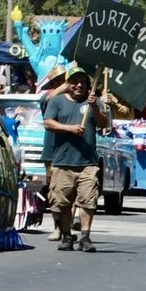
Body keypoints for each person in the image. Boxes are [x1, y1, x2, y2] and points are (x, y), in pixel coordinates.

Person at [41, 66, 105, 253]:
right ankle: (67, 236)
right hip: (62, 161)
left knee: (88, 200)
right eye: (74, 82)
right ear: (67, 84)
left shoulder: (94, 102)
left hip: (87, 162)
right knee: (62, 202)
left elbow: (103, 124)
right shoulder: (57, 101)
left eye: (83, 82)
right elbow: (48, 123)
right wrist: (70, 129)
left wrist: (94, 106)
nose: (79, 85)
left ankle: (85, 236)